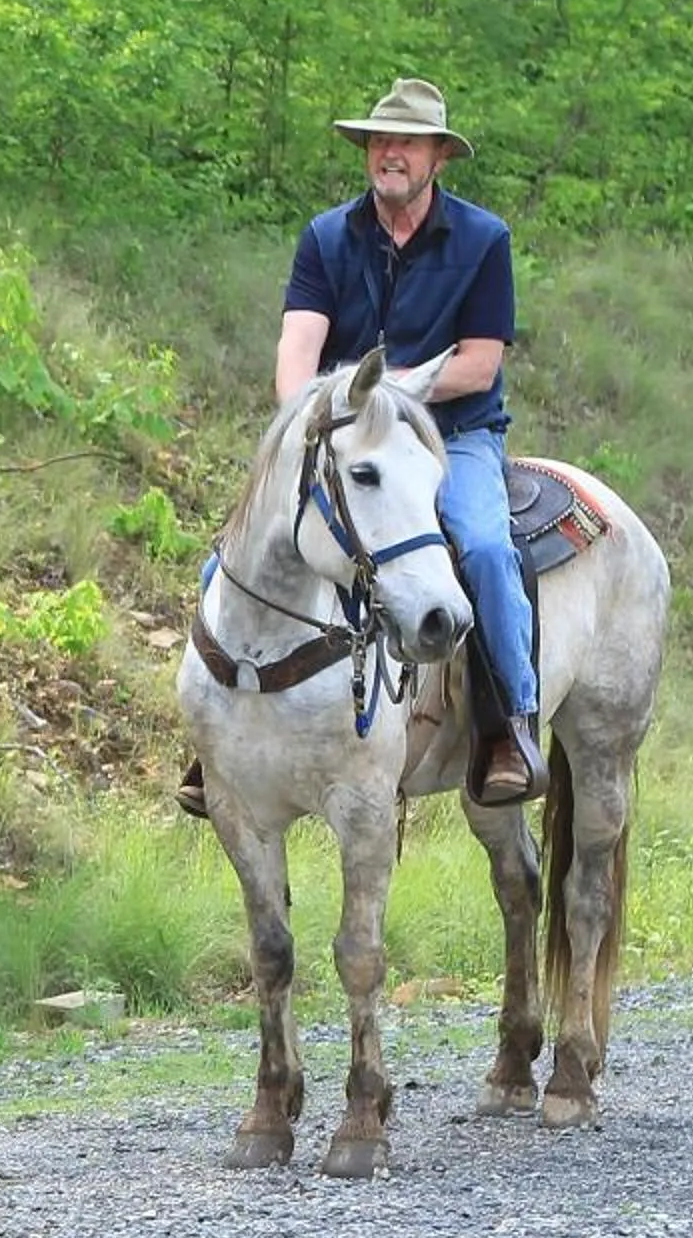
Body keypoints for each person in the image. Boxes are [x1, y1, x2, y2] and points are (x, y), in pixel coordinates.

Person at [181, 76, 533, 817]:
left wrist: (389, 390)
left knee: (483, 547)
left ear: (439, 156)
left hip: (450, 433)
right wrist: (312, 416)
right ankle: (216, 745)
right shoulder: (327, 237)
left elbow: (479, 365)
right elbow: (296, 353)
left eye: (407, 142)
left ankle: (507, 725)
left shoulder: (483, 240)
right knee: (234, 558)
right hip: (341, 434)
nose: (389, 153)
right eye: (379, 141)